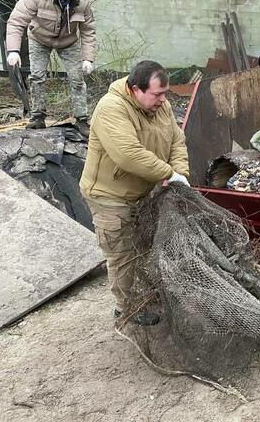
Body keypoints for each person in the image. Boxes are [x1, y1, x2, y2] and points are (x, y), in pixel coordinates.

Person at [80, 60, 190, 326]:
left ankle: (141, 294)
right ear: (133, 89)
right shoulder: (111, 109)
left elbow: (177, 140)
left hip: (142, 192)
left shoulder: (159, 106)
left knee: (142, 246)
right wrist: (167, 173)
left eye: (165, 93)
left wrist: (180, 172)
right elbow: (127, 155)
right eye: (156, 94)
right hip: (110, 196)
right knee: (122, 254)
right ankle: (125, 309)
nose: (163, 100)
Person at [5, 0, 96, 136]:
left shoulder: (82, 0)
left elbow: (89, 29)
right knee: (37, 77)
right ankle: (38, 118)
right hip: (39, 39)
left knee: (77, 79)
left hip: (68, 42)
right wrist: (13, 51)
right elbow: (16, 21)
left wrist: (88, 58)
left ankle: (82, 119)